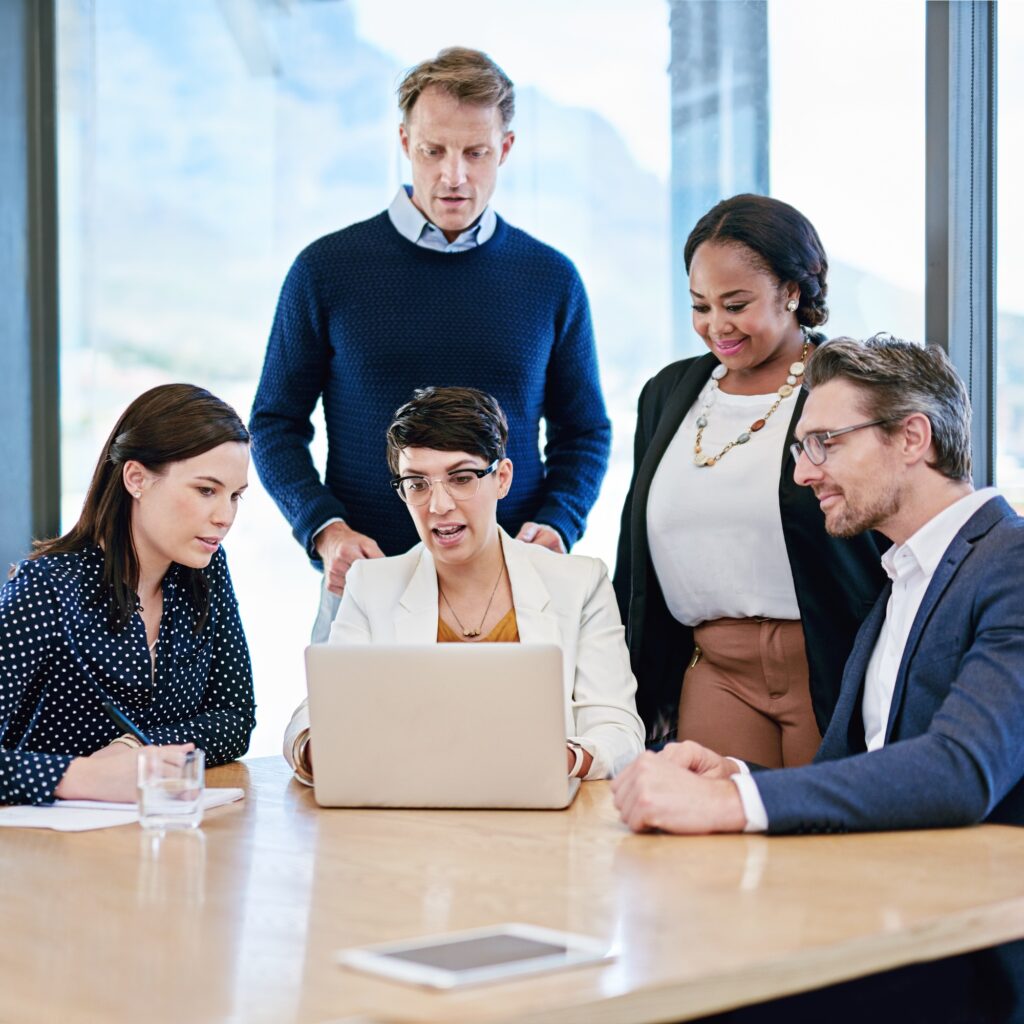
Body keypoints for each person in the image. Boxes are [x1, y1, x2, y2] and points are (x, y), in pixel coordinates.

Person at [613, 335, 1024, 1022]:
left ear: (911, 438)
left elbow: (961, 768)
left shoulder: (1009, 562)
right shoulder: (899, 582)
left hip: (967, 956)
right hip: (883, 922)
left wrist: (732, 806)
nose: (804, 473)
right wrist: (735, 776)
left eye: (824, 443)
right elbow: (853, 770)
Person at [250, 46, 611, 643]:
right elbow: (273, 423)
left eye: (476, 153)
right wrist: (324, 528)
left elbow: (586, 431)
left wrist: (558, 524)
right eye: (433, 150)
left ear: (507, 149)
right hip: (368, 583)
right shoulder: (326, 270)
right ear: (402, 141)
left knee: (522, 739)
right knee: (348, 738)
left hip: (515, 591)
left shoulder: (551, 278)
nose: (454, 175)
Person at [614, 194, 885, 766]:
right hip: (714, 670)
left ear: (791, 291)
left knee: (831, 846)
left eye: (736, 304)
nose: (717, 326)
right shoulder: (666, 394)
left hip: (827, 661)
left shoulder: (848, 387)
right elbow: (635, 558)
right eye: (700, 306)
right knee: (711, 846)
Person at [283, 386, 643, 783]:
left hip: (541, 819)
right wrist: (320, 747)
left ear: (502, 478)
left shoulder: (580, 583)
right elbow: (313, 716)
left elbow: (620, 731)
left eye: (461, 478)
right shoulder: (371, 586)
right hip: (412, 818)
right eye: (417, 483)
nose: (438, 506)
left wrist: (564, 759)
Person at [0, 384, 256, 805]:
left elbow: (234, 718)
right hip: (44, 849)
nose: (225, 516)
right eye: (206, 491)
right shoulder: (46, 587)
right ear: (136, 479)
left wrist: (136, 748)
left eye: (235, 496)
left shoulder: (206, 572)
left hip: (151, 839)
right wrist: (80, 776)